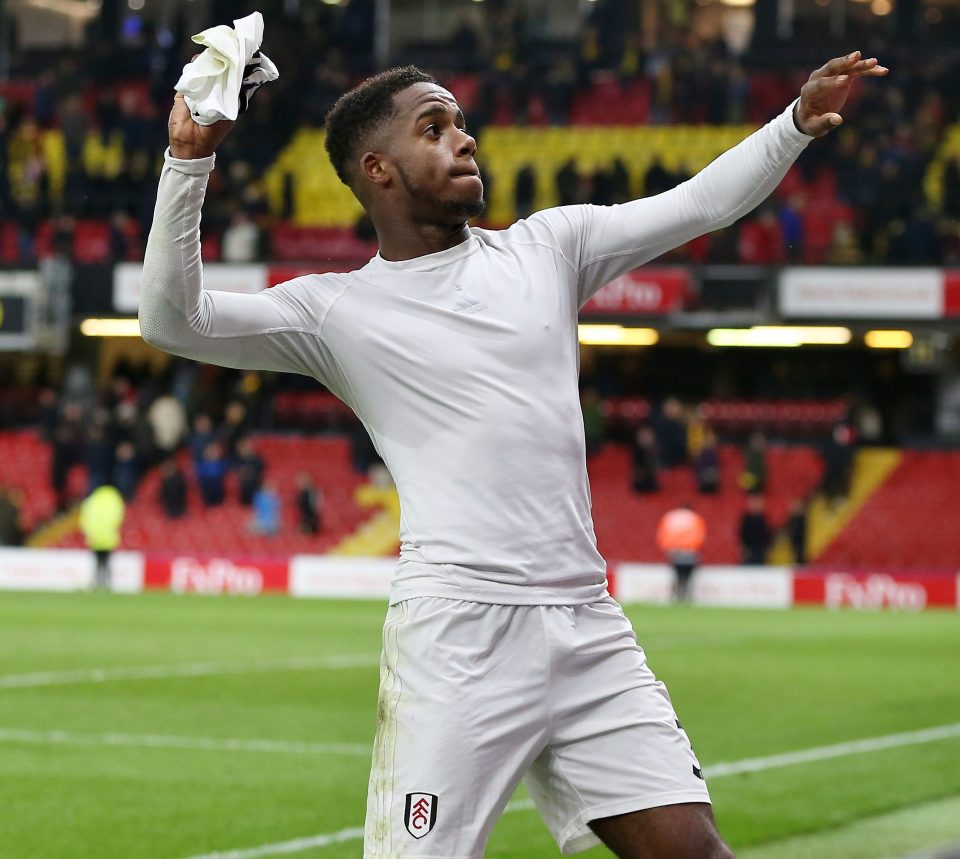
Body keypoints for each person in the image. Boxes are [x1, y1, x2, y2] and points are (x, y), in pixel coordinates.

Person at [140, 49, 886, 859]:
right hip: (459, 638)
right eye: (436, 127)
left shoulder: (549, 247)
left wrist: (795, 125)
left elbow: (697, 204)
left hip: (587, 624)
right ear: (377, 169)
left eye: (461, 122)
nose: (464, 139)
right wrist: (189, 159)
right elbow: (173, 321)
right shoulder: (336, 311)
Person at [656, 503, 707, 602]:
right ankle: (686, 596)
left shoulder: (670, 517)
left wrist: (667, 548)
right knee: (687, 577)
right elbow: (700, 536)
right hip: (690, 551)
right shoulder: (695, 517)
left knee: (677, 576)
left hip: (674, 551)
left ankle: (677, 596)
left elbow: (662, 534)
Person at [78, 484, 125, 590]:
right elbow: (118, 517)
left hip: (94, 536)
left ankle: (97, 582)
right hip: (109, 537)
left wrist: (89, 531)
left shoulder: (92, 500)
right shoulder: (114, 499)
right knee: (106, 561)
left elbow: (85, 518)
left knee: (97, 561)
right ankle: (106, 583)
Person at [739, 493, 772, 566]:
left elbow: (768, 533)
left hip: (761, 551)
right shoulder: (746, 519)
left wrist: (766, 547)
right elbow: (742, 534)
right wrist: (744, 548)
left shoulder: (764, 518)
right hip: (749, 551)